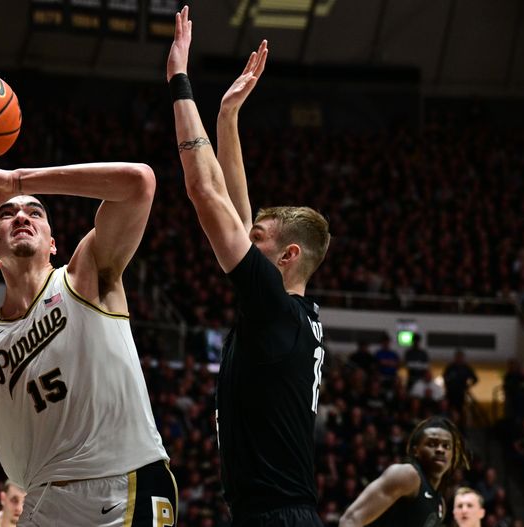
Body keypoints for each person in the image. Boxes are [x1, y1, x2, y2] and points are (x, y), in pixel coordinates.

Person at [0, 161, 177, 526]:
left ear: (52, 243)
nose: (21, 216)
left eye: (34, 212)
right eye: (6, 214)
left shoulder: (83, 274)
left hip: (119, 487)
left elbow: (139, 183)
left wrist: (14, 181)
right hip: (41, 502)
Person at [167, 7, 330, 525]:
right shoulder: (295, 315)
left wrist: (179, 82)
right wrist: (227, 118)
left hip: (274, 517)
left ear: (288, 257)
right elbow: (240, 214)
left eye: (258, 239)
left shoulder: (276, 312)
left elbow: (204, 190)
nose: (243, 240)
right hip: (280, 512)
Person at [338, 416, 469, 526]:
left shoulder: (441, 505)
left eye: (446, 446)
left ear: (453, 455)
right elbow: (351, 519)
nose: (440, 450)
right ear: (415, 450)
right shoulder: (407, 475)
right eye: (432, 444)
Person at [442, 349, 478, 414]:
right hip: (450, 393)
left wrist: (468, 386)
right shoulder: (450, 367)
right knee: (448, 410)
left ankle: (460, 423)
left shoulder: (466, 368)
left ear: (463, 358)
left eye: (460, 357)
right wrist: (447, 385)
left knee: (460, 410)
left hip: (461, 393)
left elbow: (475, 379)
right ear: (455, 357)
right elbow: (444, 377)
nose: (459, 358)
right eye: (457, 357)